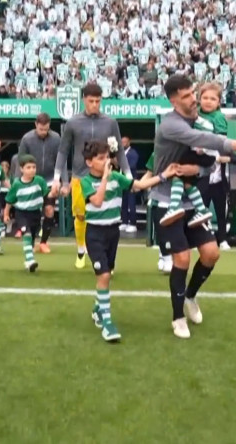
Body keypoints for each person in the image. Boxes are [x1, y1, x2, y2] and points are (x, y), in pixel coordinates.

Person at [152, 74, 236, 338]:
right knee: (182, 258)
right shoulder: (170, 125)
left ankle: (190, 296)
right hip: (167, 201)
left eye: (193, 93)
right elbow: (203, 141)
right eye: (187, 96)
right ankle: (178, 317)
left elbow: (211, 161)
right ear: (173, 100)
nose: (193, 99)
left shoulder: (203, 121)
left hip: (192, 200)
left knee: (212, 253)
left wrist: (199, 167)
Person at [80, 140, 177, 342]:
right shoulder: (87, 182)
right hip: (95, 234)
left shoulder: (117, 177)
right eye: (100, 158)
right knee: (104, 275)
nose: (106, 161)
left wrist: (163, 175)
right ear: (89, 162)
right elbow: (96, 202)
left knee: (107, 274)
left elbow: (139, 185)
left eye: (107, 157)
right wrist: (106, 177)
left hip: (112, 233)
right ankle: (107, 322)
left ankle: (98, 309)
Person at [54, 83, 130, 270]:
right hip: (80, 176)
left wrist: (127, 174)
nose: (95, 104)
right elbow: (63, 151)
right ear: (84, 100)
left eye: (98, 101)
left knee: (108, 216)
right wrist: (58, 177)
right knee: (80, 216)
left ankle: (106, 257)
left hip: (106, 176)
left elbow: (119, 149)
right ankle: (81, 250)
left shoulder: (110, 122)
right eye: (91, 101)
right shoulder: (73, 122)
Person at [195, 83, 235, 250]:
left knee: (220, 210)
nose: (208, 101)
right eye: (205, 98)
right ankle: (197, 239)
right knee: (197, 209)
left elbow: (221, 143)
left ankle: (223, 239)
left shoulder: (219, 118)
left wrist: (207, 149)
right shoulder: (194, 116)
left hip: (217, 175)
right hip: (199, 172)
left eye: (213, 98)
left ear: (219, 102)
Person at [3, 155, 57, 272]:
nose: (32, 170)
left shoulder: (39, 181)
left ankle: (28, 261)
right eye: (28, 167)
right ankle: (31, 260)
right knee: (26, 234)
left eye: (33, 167)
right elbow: (9, 200)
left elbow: (47, 195)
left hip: (35, 214)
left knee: (31, 237)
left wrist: (54, 192)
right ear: (21, 169)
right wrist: (6, 214)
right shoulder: (17, 184)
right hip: (21, 213)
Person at [17, 113, 61, 252]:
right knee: (32, 213)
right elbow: (21, 161)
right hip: (31, 181)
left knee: (49, 210)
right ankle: (31, 242)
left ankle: (43, 242)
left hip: (49, 180)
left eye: (46, 129)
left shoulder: (56, 138)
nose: (43, 132)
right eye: (41, 129)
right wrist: (21, 181)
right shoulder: (27, 139)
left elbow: (61, 161)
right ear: (36, 124)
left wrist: (61, 180)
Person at [121, 136, 140, 232]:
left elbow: (132, 165)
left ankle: (133, 223)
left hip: (131, 180)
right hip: (122, 181)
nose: (123, 143)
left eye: (125, 142)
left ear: (129, 142)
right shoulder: (120, 154)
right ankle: (124, 222)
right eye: (122, 142)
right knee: (123, 202)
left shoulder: (133, 153)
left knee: (131, 202)